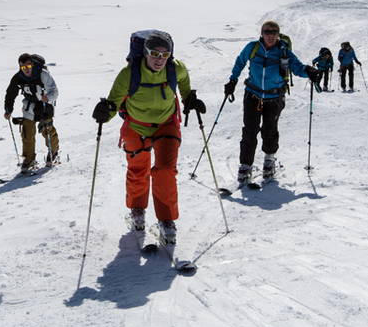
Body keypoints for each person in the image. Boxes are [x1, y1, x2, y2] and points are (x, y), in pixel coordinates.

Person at [91, 31, 204, 246]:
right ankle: (137, 210)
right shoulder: (129, 74)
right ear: (145, 53)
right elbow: (114, 102)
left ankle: (167, 221)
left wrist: (189, 98)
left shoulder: (175, 68)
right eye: (154, 53)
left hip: (166, 124)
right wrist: (105, 113)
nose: (159, 59)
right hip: (136, 126)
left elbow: (184, 83)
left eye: (165, 54)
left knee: (165, 171)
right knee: (138, 170)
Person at [224, 21, 319, 186]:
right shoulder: (252, 48)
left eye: (274, 32)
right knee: (250, 130)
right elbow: (240, 62)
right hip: (253, 95)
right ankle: (245, 165)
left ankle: (269, 160)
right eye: (267, 32)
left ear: (278, 34)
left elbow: (297, 67)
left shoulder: (284, 52)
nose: (270, 35)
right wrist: (233, 80)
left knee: (270, 130)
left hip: (274, 98)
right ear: (262, 33)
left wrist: (309, 72)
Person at [3, 53, 60, 174]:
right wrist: (8, 110)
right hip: (30, 105)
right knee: (27, 132)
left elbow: (54, 90)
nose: (27, 69)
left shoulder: (43, 74)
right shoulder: (18, 78)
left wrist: (48, 98)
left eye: (28, 66)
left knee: (47, 129)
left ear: (32, 64)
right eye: (23, 67)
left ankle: (53, 152)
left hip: (45, 103)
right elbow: (10, 94)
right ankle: (29, 159)